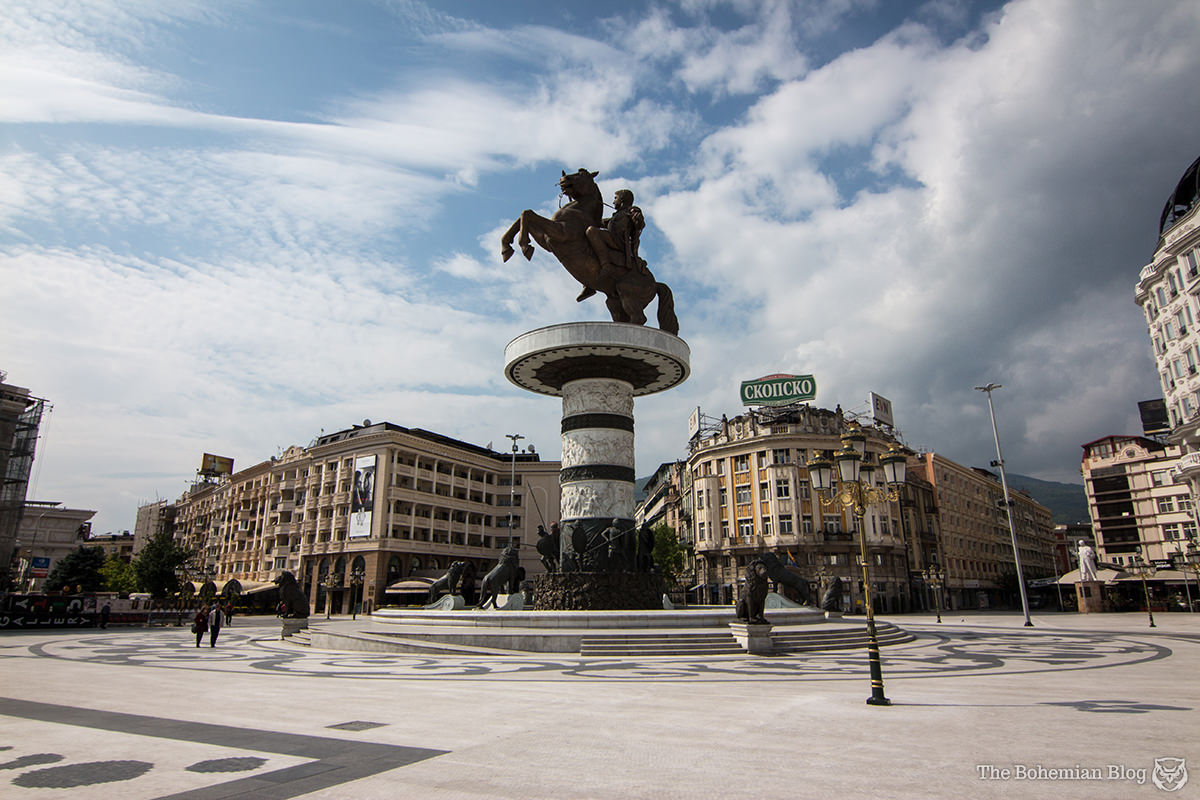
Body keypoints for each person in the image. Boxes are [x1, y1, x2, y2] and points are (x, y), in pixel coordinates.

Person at [579, 189, 648, 301]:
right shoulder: (615, 217)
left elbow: (639, 221)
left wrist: (637, 216)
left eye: (615, 198)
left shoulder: (630, 210)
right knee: (588, 237)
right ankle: (588, 283)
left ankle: (606, 265)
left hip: (620, 242)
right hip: (612, 239)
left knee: (592, 231)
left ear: (622, 199)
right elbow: (599, 222)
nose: (613, 202)